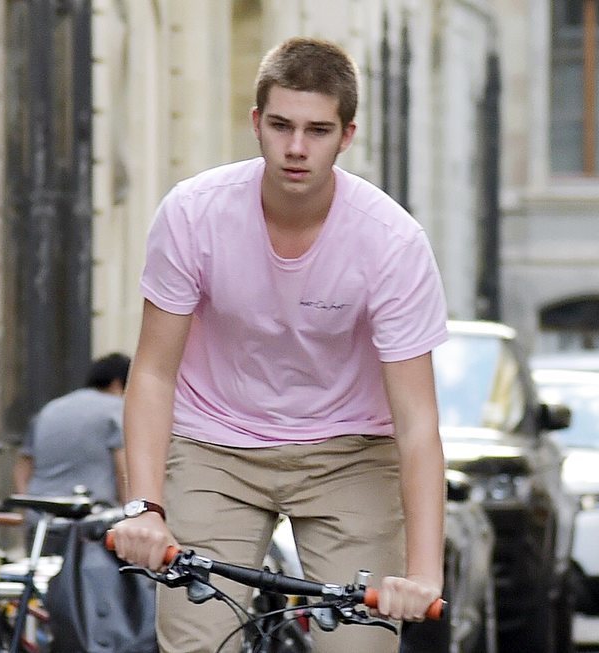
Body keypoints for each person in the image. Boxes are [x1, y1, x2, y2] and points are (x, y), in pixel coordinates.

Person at [108, 36, 447, 653]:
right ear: (256, 123)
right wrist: (143, 506)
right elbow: (153, 373)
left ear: (347, 136)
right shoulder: (193, 214)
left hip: (348, 455)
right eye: (282, 126)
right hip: (215, 450)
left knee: (359, 647)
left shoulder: (391, 242)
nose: (296, 148)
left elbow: (418, 420)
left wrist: (423, 573)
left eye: (318, 130)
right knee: (196, 644)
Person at [14, 352, 131, 554]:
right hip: (92, 522)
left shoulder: (51, 409)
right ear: (119, 382)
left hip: (42, 518)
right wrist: (132, 512)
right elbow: (124, 469)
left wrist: (27, 509)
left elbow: (23, 466)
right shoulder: (117, 410)